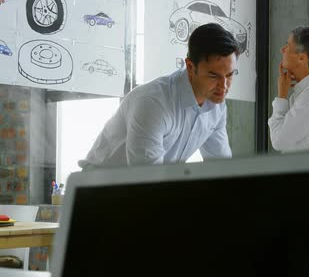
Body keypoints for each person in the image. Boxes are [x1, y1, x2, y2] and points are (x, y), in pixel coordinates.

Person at [79, 23, 239, 169]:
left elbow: (222, 168)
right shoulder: (153, 103)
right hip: (98, 191)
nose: (223, 86)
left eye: (230, 75)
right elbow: (147, 181)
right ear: (190, 66)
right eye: (213, 76)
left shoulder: (216, 107)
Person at [268, 26, 309, 152]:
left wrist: (281, 96)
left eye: (287, 46)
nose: (282, 49)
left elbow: (278, 141)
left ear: (302, 58)